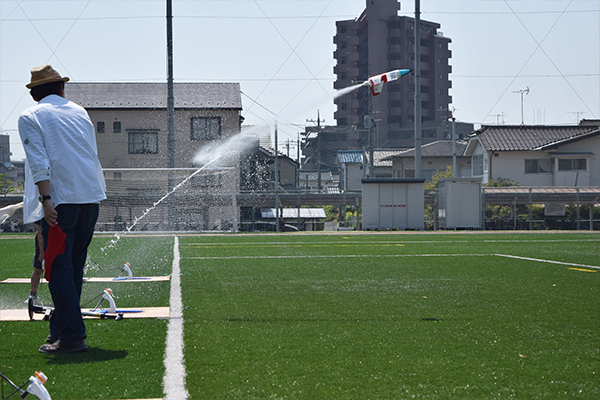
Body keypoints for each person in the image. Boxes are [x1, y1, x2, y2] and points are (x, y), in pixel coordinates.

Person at [18, 64, 106, 354]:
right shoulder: (80, 112)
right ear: (61, 89)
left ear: (34, 95)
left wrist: (45, 200)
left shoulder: (31, 116)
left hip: (60, 202)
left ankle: (71, 335)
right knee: (73, 269)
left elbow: (37, 160)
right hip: (89, 199)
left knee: (56, 269)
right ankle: (59, 330)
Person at [23, 159, 45, 305]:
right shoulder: (42, 209)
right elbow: (41, 232)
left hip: (58, 237)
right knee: (38, 267)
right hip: (42, 239)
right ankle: (33, 295)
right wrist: (43, 253)